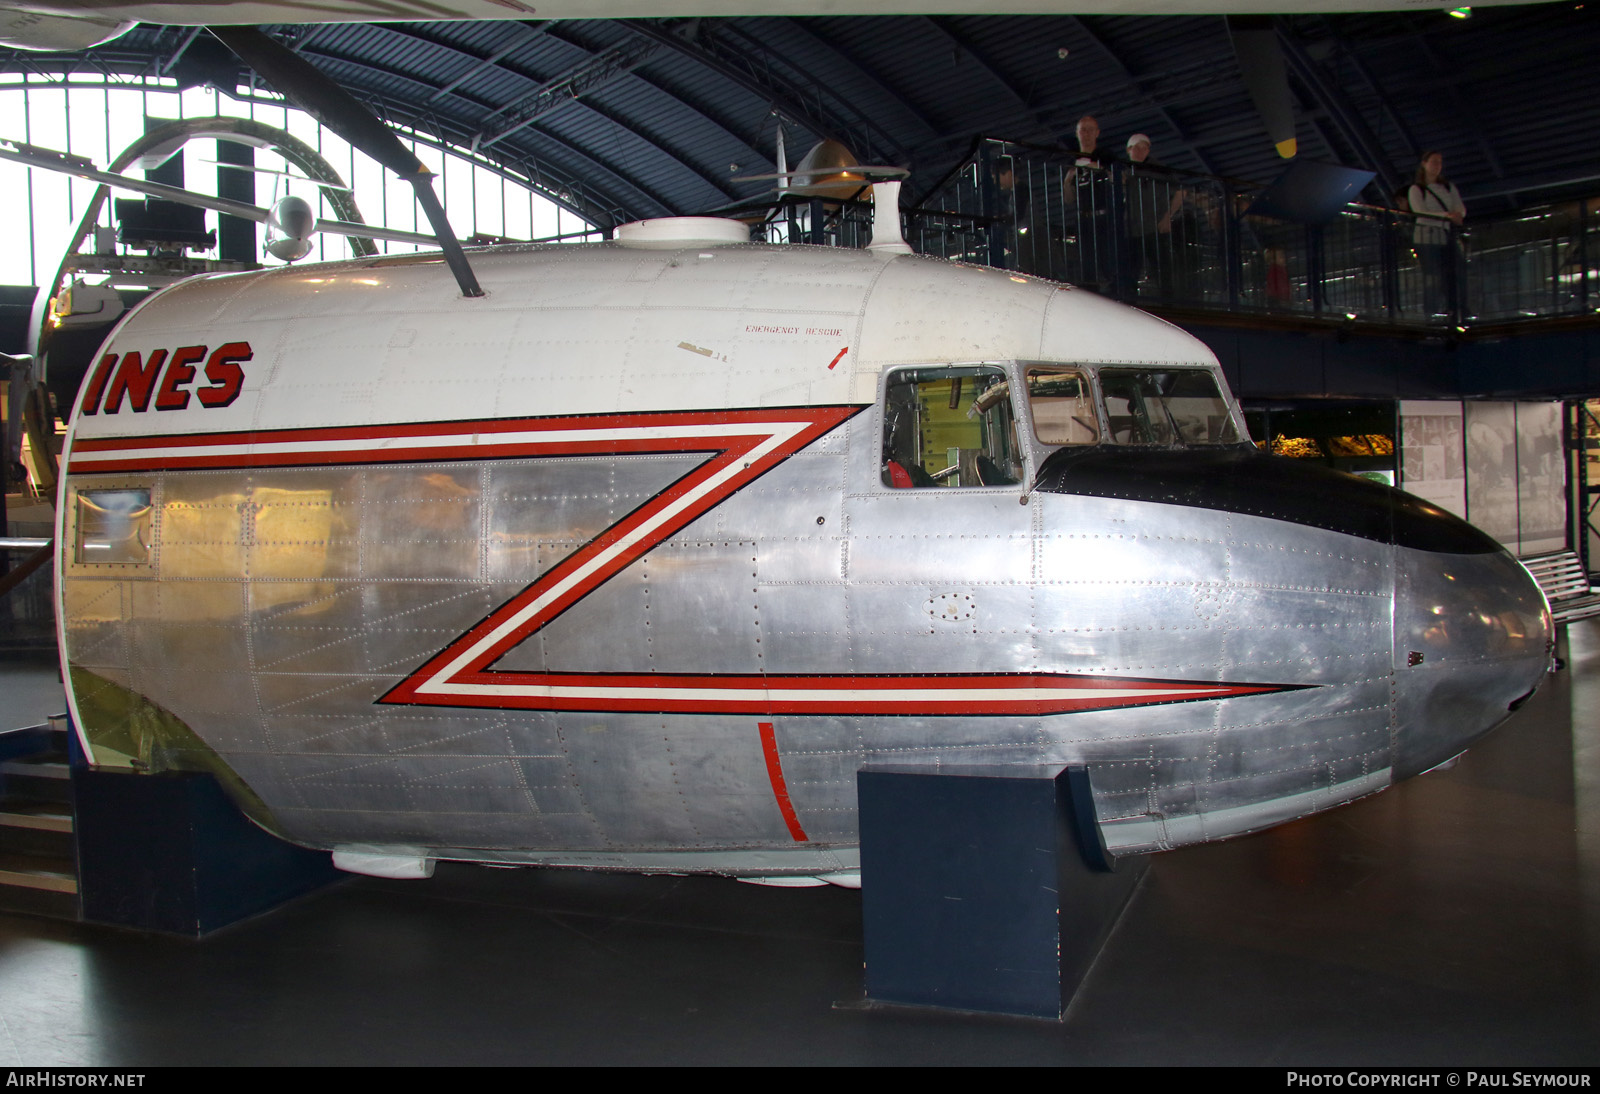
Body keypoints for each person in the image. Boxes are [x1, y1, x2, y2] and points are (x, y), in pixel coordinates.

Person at [1123, 133, 1186, 298]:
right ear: (1129, 149)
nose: (1141, 151)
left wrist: (1168, 217)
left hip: (1155, 230)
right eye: (1137, 147)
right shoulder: (1123, 172)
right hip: (1132, 231)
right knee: (1130, 273)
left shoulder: (1158, 169)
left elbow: (1180, 191)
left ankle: (1168, 306)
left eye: (1144, 148)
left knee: (1162, 272)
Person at [1407, 150, 1466, 317]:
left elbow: (1459, 208)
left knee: (1455, 271)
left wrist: (1456, 215)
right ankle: (1431, 311)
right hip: (1426, 238)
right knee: (1433, 275)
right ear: (1424, 164)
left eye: (1439, 162)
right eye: (1433, 162)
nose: (1437, 165)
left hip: (1445, 235)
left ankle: (1455, 308)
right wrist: (1447, 216)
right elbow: (1421, 212)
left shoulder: (1448, 187)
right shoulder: (1416, 189)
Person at [1064, 115, 1115, 293]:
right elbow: (1068, 198)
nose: (1085, 134)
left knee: (1108, 261)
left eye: (1089, 130)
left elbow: (1117, 180)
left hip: (1103, 217)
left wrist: (1099, 168)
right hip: (1083, 219)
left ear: (1097, 133)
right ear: (1077, 134)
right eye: (1082, 130)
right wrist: (1067, 181)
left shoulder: (1106, 157)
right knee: (1086, 265)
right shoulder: (1071, 161)